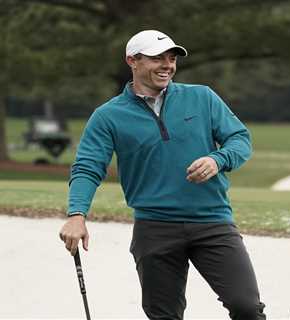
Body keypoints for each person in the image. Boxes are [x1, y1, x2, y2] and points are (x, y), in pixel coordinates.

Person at [59, 30, 266, 320]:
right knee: (164, 316)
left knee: (246, 307)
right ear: (132, 60)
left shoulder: (202, 97)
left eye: (171, 59)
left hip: (213, 222)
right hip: (154, 228)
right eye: (157, 58)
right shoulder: (108, 116)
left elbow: (240, 140)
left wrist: (217, 159)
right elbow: (88, 166)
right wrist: (77, 214)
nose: (167, 65)